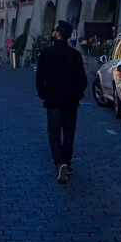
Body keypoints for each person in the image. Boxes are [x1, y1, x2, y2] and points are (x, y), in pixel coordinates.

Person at [35, 20, 87, 184]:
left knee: (54, 132)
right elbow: (82, 80)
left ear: (58, 34)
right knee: (69, 132)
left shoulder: (46, 53)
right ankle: (66, 161)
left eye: (54, 29)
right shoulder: (75, 55)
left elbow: (39, 78)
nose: (52, 31)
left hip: (52, 100)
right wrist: (78, 95)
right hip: (71, 101)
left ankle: (59, 162)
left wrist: (43, 95)